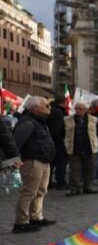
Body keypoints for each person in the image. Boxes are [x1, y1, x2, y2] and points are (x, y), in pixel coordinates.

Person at [12, 96, 58, 233]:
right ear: (35, 108)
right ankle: (21, 222)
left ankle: (36, 217)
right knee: (28, 193)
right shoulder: (28, 123)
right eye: (46, 106)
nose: (49, 108)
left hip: (43, 160)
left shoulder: (39, 121)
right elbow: (16, 143)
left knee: (41, 191)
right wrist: (17, 160)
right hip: (33, 161)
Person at [65, 102, 98, 196]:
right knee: (74, 170)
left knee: (90, 169)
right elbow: (62, 132)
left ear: (85, 110)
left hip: (89, 148)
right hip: (74, 147)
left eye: (80, 109)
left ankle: (88, 187)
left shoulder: (94, 119)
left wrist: (95, 142)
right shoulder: (67, 119)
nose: (78, 110)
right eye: (76, 108)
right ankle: (74, 188)